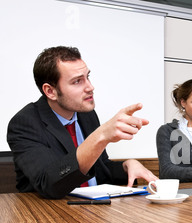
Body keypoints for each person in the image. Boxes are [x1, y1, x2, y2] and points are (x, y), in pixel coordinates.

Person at [7, 46, 157, 199]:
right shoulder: (25, 123)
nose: (90, 87)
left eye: (88, 77)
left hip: (95, 213)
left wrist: (127, 166)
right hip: (49, 216)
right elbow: (49, 183)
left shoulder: (87, 115)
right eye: (77, 81)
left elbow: (98, 169)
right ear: (50, 91)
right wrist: (101, 136)